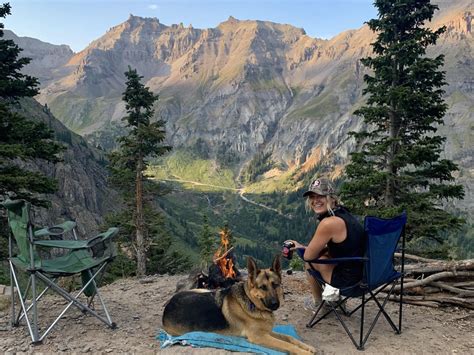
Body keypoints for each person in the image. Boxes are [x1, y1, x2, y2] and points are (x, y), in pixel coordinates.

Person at [284, 178, 366, 308]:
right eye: (312, 197)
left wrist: (299, 248)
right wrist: (303, 247)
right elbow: (343, 248)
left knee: (310, 263)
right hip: (365, 276)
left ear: (332, 198)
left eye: (321, 196)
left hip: (350, 283)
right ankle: (335, 301)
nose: (315, 200)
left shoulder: (328, 223)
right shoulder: (345, 215)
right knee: (323, 255)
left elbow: (308, 256)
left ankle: (319, 304)